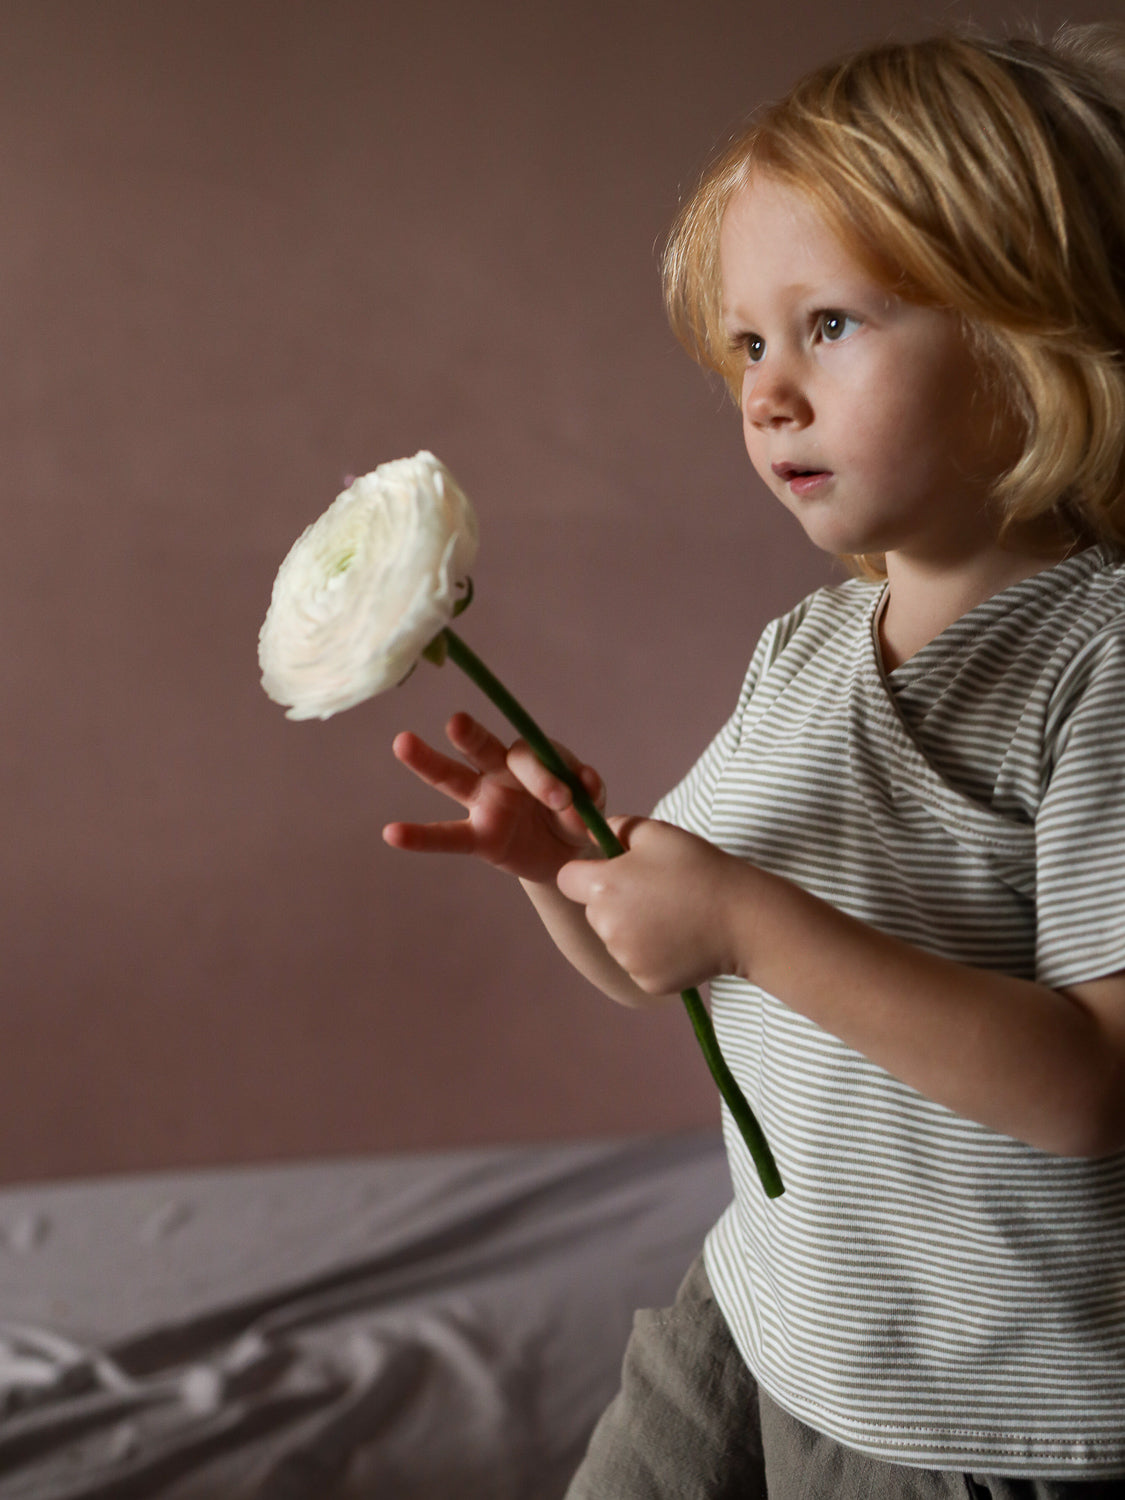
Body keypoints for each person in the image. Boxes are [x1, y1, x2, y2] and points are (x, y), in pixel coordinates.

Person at [383, 24, 1125, 1499]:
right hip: (766, 1302)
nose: (765, 391)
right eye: (744, 342)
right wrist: (569, 872)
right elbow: (674, 969)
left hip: (966, 1398)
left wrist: (741, 917)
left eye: (830, 325)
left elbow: (1089, 1089)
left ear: (1024, 333)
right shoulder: (800, 652)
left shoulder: (1094, 666)